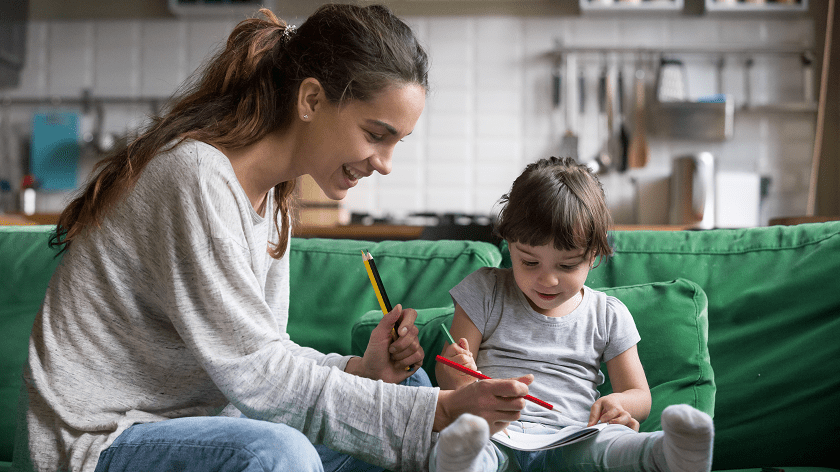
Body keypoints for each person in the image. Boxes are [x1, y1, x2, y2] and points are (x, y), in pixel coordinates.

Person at [12, 4, 534, 472]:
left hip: (209, 426)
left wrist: (361, 368)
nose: (385, 163)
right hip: (102, 442)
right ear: (310, 99)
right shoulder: (195, 177)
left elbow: (265, 353)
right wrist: (439, 412)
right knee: (280, 454)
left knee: (407, 390)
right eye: (376, 135)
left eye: (397, 142)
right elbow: (258, 375)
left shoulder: (276, 200)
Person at [432, 156, 715, 472]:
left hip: (572, 437)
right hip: (495, 431)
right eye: (529, 262)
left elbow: (639, 395)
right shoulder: (485, 290)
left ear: (593, 255)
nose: (548, 280)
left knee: (611, 445)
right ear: (509, 244)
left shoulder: (607, 315)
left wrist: (620, 404)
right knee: (470, 443)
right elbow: (448, 372)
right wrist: (457, 374)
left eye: (567, 266)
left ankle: (667, 453)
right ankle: (459, 459)